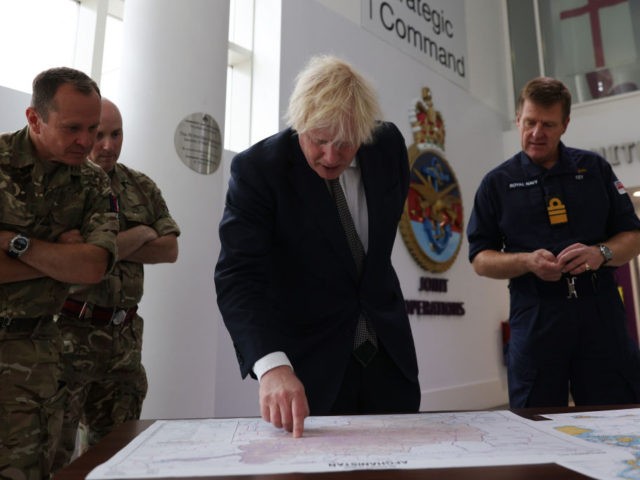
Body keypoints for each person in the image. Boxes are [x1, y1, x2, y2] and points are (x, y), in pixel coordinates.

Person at [214, 54, 420, 438]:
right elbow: (238, 276)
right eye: (319, 140)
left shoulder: (388, 146)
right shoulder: (260, 171)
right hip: (307, 368)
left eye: (345, 144)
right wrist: (272, 366)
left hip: (389, 361)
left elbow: (374, 252)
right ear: (299, 123)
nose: (330, 155)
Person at [467, 76, 640, 408]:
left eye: (548, 124)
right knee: (535, 420)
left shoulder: (595, 170)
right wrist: (526, 262)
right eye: (529, 122)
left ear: (565, 124)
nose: (536, 133)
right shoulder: (496, 184)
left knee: (618, 412)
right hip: (536, 315)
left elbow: (632, 237)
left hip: (599, 311)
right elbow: (480, 259)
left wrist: (600, 253)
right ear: (518, 119)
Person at [0, 67, 118, 479]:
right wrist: (55, 257)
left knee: (30, 470)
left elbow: (93, 266)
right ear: (34, 118)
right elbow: (74, 263)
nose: (87, 141)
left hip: (37, 354)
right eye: (72, 128)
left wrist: (18, 243)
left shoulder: (93, 183)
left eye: (92, 127)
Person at [53, 98, 180, 469]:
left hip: (122, 342)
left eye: (116, 134)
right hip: (69, 336)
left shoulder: (140, 186)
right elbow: (71, 260)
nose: (108, 145)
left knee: (117, 457)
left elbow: (170, 249)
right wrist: (140, 234)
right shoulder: (63, 185)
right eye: (99, 134)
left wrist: (103, 248)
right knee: (56, 458)